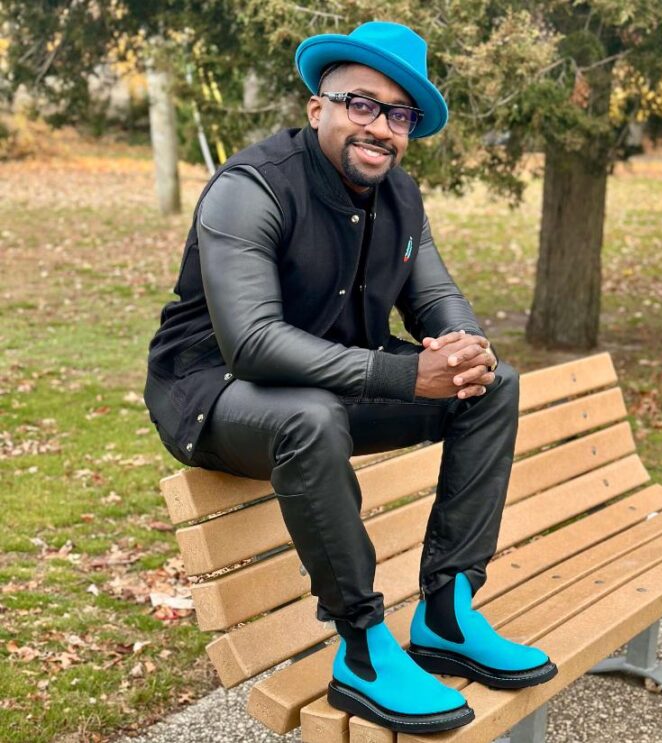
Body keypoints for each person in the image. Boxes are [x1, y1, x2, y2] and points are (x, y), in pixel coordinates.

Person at [143, 20, 557, 735]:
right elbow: (252, 344)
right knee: (310, 416)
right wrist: (404, 374)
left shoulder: (400, 197)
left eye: (399, 116)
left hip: (328, 389)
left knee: (492, 387)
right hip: (215, 394)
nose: (380, 127)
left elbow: (436, 297)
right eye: (361, 104)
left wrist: (467, 350)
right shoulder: (251, 189)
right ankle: (362, 647)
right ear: (318, 109)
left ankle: (447, 612)